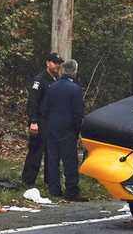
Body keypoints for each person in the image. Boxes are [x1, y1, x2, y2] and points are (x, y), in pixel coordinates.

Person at [41, 59, 87, 201]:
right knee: (70, 160)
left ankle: (54, 189)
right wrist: (78, 129)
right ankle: (72, 190)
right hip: (68, 128)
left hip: (52, 126)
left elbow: (45, 108)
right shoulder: (75, 89)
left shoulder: (52, 86)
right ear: (74, 71)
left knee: (53, 159)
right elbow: (78, 112)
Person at [22, 52, 63, 187]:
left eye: (58, 63)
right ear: (48, 63)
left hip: (52, 122)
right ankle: (28, 181)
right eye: (55, 62)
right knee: (36, 151)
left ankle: (49, 181)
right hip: (40, 121)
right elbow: (33, 102)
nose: (57, 65)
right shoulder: (39, 80)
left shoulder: (56, 80)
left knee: (51, 152)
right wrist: (33, 121)